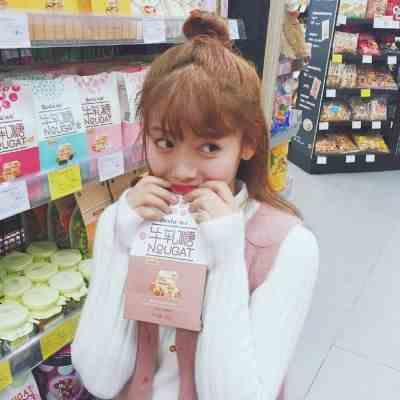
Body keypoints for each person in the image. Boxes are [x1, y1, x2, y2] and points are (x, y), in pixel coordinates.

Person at [72, 10, 319, 400]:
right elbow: (100, 380)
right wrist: (120, 244)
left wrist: (226, 259)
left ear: (248, 143)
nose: (183, 171)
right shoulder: (122, 219)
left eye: (209, 147)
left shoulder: (288, 248)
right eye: (165, 143)